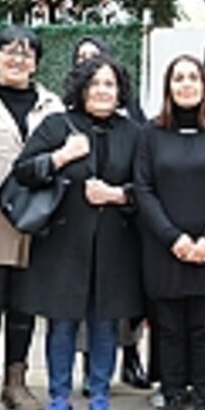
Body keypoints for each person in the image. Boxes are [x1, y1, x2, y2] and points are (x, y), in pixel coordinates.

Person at [12, 54, 143, 410]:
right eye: (95, 83)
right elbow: (23, 171)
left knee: (105, 324)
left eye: (110, 84)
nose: (102, 91)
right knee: (62, 322)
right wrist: (60, 156)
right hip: (63, 242)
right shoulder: (57, 125)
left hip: (114, 244)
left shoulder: (133, 133)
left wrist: (119, 195)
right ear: (81, 88)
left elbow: (150, 186)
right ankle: (58, 400)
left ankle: (100, 398)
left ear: (120, 92)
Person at [135, 55, 205, 410]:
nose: (185, 85)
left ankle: (204, 404)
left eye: (192, 78)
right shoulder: (150, 133)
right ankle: (173, 401)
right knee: (169, 329)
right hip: (165, 248)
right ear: (168, 87)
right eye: (178, 78)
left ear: (204, 85)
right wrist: (174, 238)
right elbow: (144, 189)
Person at [0, 25, 64, 410]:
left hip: (38, 221)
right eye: (9, 51)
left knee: (25, 305)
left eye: (26, 53)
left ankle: (16, 380)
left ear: (36, 62)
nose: (17, 59)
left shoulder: (52, 106)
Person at [70, 35, 150, 391]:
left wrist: (121, 196)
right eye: (82, 58)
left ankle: (130, 357)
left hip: (125, 222)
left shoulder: (133, 118)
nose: (89, 62)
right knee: (89, 305)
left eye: (96, 57)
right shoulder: (66, 115)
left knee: (124, 302)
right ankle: (91, 370)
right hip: (81, 227)